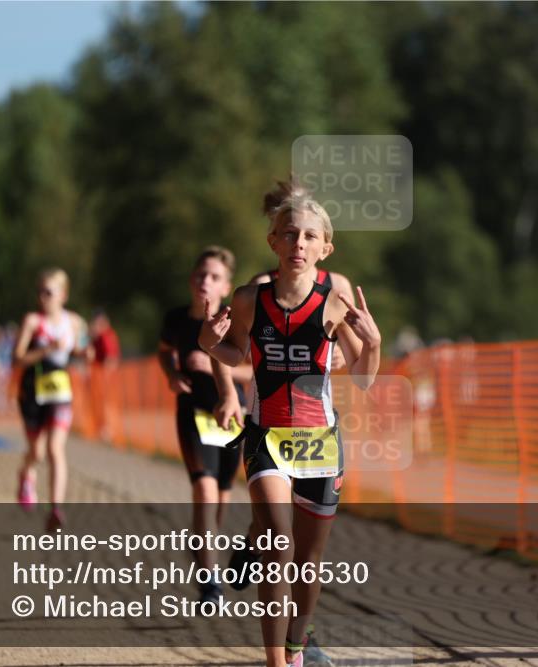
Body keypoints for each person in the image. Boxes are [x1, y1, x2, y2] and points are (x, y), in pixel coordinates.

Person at [200, 177, 381, 667]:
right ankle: (277, 661)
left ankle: (299, 646)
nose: (298, 243)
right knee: (279, 545)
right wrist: (207, 345)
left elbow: (363, 378)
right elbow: (232, 350)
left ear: (325, 246)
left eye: (308, 235)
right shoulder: (250, 296)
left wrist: (373, 345)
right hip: (266, 435)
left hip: (320, 439)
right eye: (289, 233)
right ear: (273, 239)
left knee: (306, 560)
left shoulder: (337, 298)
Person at [159, 246, 252, 604]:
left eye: (214, 277)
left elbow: (252, 370)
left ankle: (201, 549)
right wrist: (172, 373)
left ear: (227, 287)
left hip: (231, 416)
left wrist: (215, 363)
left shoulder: (235, 323)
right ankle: (211, 584)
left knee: (220, 503)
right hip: (193, 412)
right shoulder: (176, 319)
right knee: (204, 492)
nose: (205, 282)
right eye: (200, 275)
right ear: (190, 281)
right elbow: (163, 350)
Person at [14, 268, 89, 531]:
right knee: (36, 451)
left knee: (55, 449)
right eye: (40, 292)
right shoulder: (33, 322)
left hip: (59, 390)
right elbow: (18, 357)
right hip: (32, 389)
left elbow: (77, 350)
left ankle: (55, 508)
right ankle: (25, 474)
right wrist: (46, 349)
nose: (43, 297)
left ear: (63, 295)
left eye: (49, 292)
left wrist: (84, 353)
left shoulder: (75, 322)